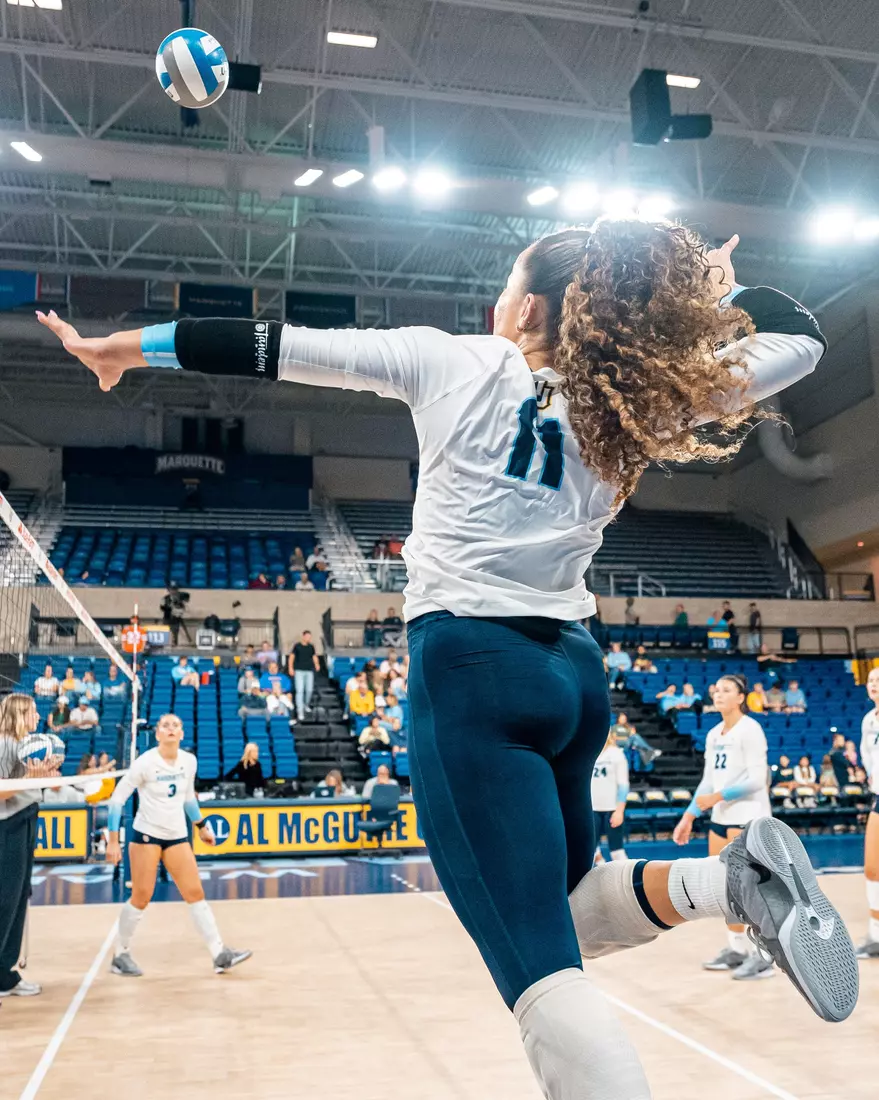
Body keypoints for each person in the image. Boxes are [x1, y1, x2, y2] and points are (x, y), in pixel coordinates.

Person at [42, 219, 857, 1094]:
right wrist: (712, 293)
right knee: (565, 917)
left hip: (471, 668)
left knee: (539, 974)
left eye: (508, 284)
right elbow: (803, 343)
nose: (495, 300)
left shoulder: (449, 359)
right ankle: (731, 886)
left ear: (534, 304)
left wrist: (120, 348)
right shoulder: (630, 397)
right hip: (574, 672)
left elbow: (265, 343)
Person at [106, 713, 251, 976]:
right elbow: (117, 800)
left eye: (176, 726)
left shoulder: (189, 761)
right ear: (158, 733)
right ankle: (120, 955)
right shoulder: (145, 763)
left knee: (195, 892)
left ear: (182, 734)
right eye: (165, 726)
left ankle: (219, 953)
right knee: (141, 896)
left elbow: (187, 798)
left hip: (176, 835)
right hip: (146, 835)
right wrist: (114, 841)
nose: (171, 729)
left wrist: (202, 827)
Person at [673, 674, 774, 982]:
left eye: (726, 690)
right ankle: (737, 949)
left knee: (750, 890)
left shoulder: (750, 729)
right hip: (719, 819)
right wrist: (689, 815)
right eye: (716, 690)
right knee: (725, 889)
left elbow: (758, 779)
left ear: (741, 697)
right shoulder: (715, 732)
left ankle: (765, 956)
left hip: (747, 816)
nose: (718, 694)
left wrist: (718, 796)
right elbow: (707, 780)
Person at [0, 694, 58, 998]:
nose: (38, 717)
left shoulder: (25, 746)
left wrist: (45, 776)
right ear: (20, 714)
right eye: (33, 712)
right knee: (4, 901)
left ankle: (5, 975)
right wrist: (30, 779)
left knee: (18, 898)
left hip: (24, 819)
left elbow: (26, 786)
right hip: (6, 826)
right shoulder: (3, 744)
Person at [857, 666, 879, 960]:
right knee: (872, 869)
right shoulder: (867, 720)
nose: (874, 684)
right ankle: (876, 935)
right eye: (872, 680)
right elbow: (866, 756)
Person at [591, 732, 629, 864]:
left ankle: (629, 882)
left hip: (612, 809)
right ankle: (603, 876)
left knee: (617, 852)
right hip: (592, 809)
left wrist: (619, 811)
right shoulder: (588, 752)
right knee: (591, 851)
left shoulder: (616, 754)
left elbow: (623, 785)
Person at [288, 630, 320, 722]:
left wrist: (317, 664)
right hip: (299, 671)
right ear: (303, 636)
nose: (308, 638)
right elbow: (291, 657)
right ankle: (300, 711)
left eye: (310, 637)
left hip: (309, 670)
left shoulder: (311, 646)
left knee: (309, 690)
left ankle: (306, 705)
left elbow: (314, 656)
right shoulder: (297, 646)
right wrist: (290, 668)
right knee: (300, 691)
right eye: (307, 636)